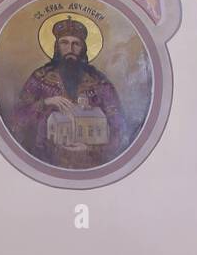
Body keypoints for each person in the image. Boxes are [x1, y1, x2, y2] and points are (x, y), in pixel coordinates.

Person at [12, 18, 126, 168]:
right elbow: (17, 117)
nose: (70, 48)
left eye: (76, 43)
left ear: (83, 48)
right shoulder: (40, 78)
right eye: (64, 42)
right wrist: (46, 102)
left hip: (90, 163)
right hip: (45, 160)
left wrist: (92, 148)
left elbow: (119, 126)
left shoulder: (99, 82)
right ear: (56, 47)